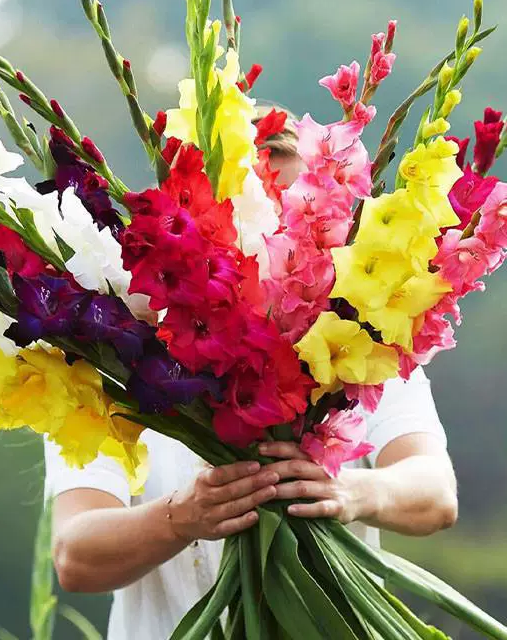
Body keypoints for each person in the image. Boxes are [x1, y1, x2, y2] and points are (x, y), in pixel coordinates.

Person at [44, 107, 457, 640]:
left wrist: (352, 493)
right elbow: (76, 555)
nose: (289, 249)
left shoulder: (361, 339)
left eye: (305, 227)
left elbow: (434, 493)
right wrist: (183, 518)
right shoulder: (113, 360)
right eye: (261, 227)